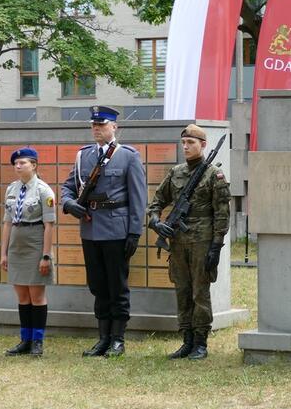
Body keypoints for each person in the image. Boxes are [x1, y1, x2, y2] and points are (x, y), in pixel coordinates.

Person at [60, 106, 146, 358]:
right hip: (90, 229)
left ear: (114, 127)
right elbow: (68, 187)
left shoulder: (128, 156)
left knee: (117, 286)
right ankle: (103, 339)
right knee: (98, 286)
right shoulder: (83, 156)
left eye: (102, 125)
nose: (97, 129)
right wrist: (70, 204)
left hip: (117, 230)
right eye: (94, 125)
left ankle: (118, 339)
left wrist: (134, 232)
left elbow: (138, 197)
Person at [146, 124, 230, 360]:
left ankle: (201, 342)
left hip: (202, 242)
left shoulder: (214, 175)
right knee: (182, 290)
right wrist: (155, 222)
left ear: (202, 145)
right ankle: (187, 340)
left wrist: (216, 245)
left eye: (190, 143)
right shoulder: (176, 172)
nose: (185, 147)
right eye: (183, 143)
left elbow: (222, 213)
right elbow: (156, 203)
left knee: (199, 292)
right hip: (178, 241)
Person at [0, 147, 57, 357]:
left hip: (35, 243)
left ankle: (37, 342)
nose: (18, 166)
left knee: (36, 294)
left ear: (34, 165)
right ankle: (25, 340)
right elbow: (7, 223)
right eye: (15, 163)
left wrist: (46, 255)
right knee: (22, 295)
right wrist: (4, 253)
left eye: (22, 162)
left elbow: (49, 226)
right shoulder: (12, 189)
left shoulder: (44, 191)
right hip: (16, 243)